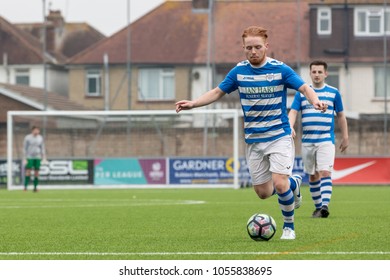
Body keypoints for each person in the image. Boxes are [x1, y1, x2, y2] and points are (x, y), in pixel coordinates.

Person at [176, 26, 327, 239]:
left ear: (266, 46)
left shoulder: (280, 69)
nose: (253, 51)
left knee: (279, 183)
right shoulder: (238, 72)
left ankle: (288, 227)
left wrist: (315, 100)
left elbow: (304, 88)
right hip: (254, 140)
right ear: (243, 48)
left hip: (279, 136)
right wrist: (193, 103)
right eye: (249, 48)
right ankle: (295, 184)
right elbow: (218, 91)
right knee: (263, 193)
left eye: (257, 47)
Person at [289, 60, 349, 218]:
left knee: (325, 172)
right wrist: (290, 126)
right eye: (314, 72)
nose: (316, 75)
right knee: (313, 175)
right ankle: (318, 208)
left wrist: (345, 136)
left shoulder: (333, 92)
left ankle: (325, 205)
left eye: (319, 72)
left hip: (326, 140)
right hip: (307, 141)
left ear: (326, 74)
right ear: (310, 73)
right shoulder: (303, 93)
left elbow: (341, 115)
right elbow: (293, 112)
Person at [23, 126, 46, 192]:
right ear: (32, 131)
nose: (36, 132)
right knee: (28, 172)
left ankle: (35, 188)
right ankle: (25, 187)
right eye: (35, 130)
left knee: (37, 172)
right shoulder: (27, 137)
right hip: (29, 157)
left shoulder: (40, 138)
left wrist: (44, 157)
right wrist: (24, 158)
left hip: (37, 157)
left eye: (37, 130)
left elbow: (42, 147)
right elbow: (24, 148)